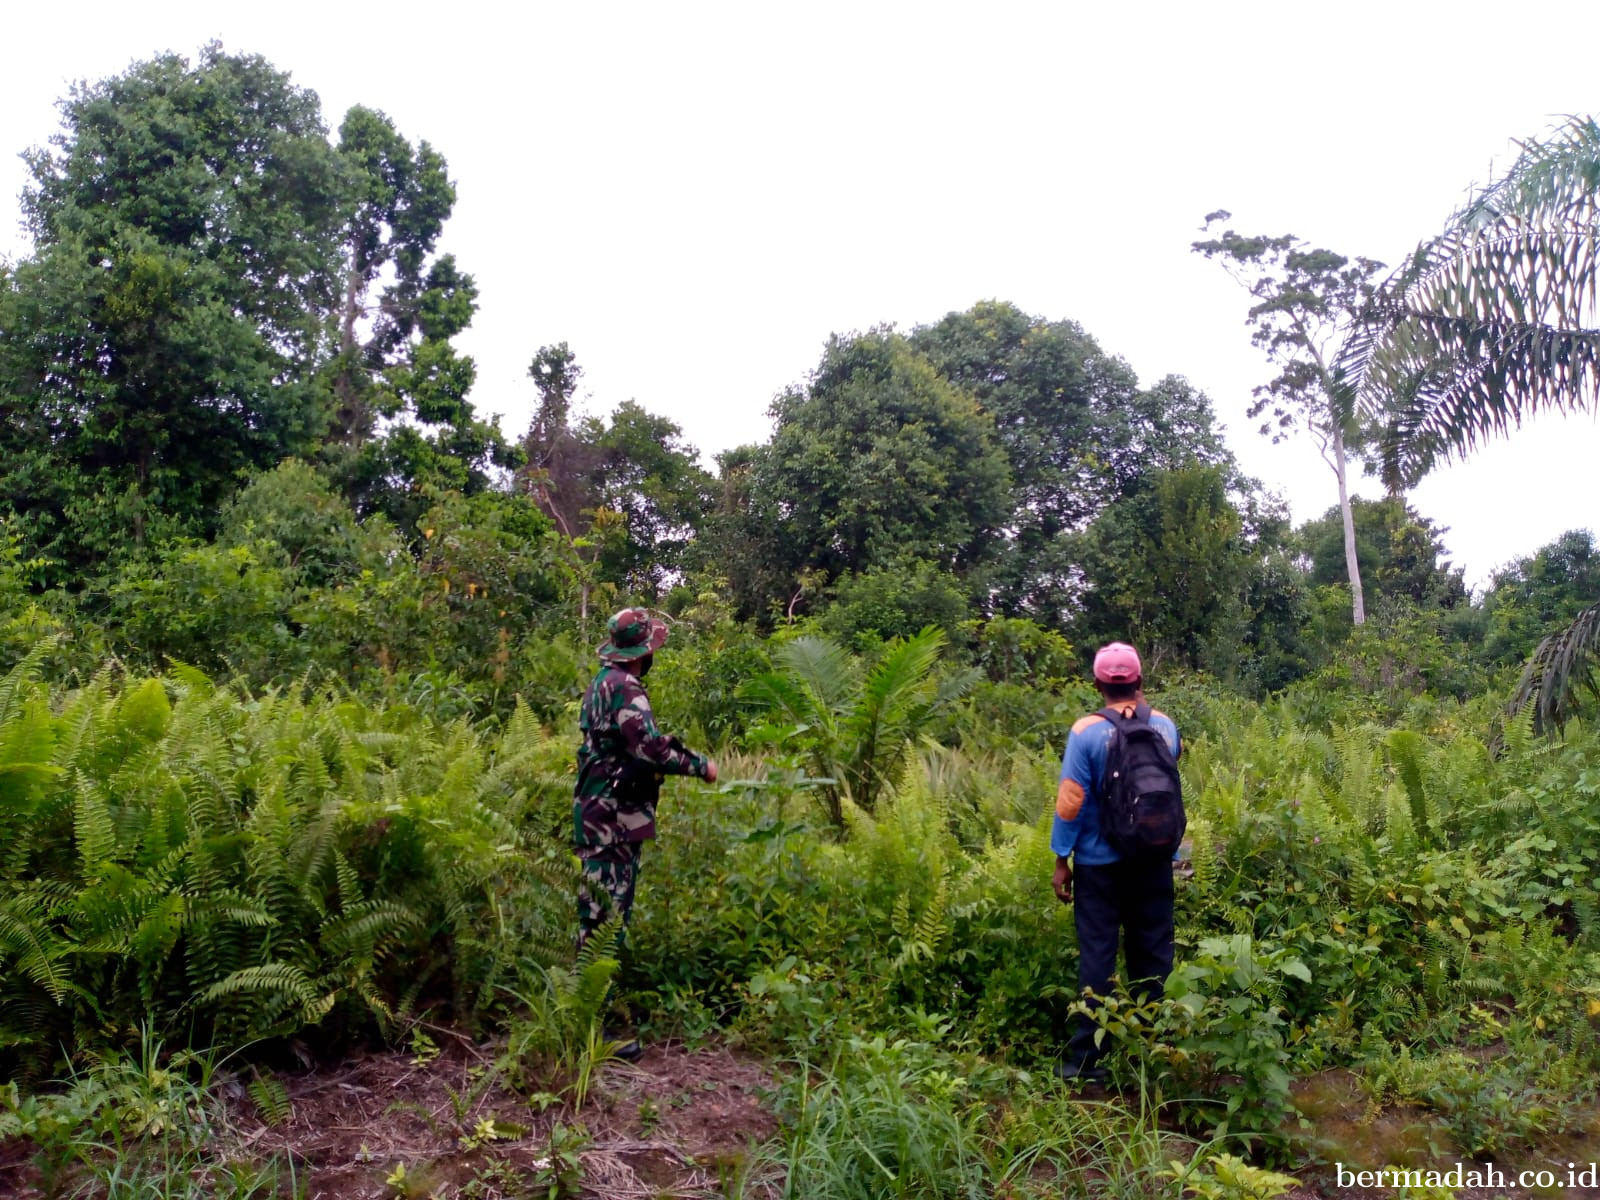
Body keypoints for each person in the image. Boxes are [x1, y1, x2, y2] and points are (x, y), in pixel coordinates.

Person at [573, 608, 718, 1055]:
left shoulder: (601, 682)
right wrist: (700, 766)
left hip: (601, 810)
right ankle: (592, 1028)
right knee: (605, 917)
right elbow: (650, 747)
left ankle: (599, 1007)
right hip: (612, 818)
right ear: (641, 653)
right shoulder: (625, 687)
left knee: (600, 913)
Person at [1051, 640, 1181, 1083]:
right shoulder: (1165, 727)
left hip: (1098, 864)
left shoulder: (1085, 731)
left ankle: (1086, 1063)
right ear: (1141, 681)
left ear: (1097, 684)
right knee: (1154, 953)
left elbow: (1071, 802)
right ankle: (1154, 1049)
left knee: (1099, 957)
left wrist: (1061, 859)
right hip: (1154, 858)